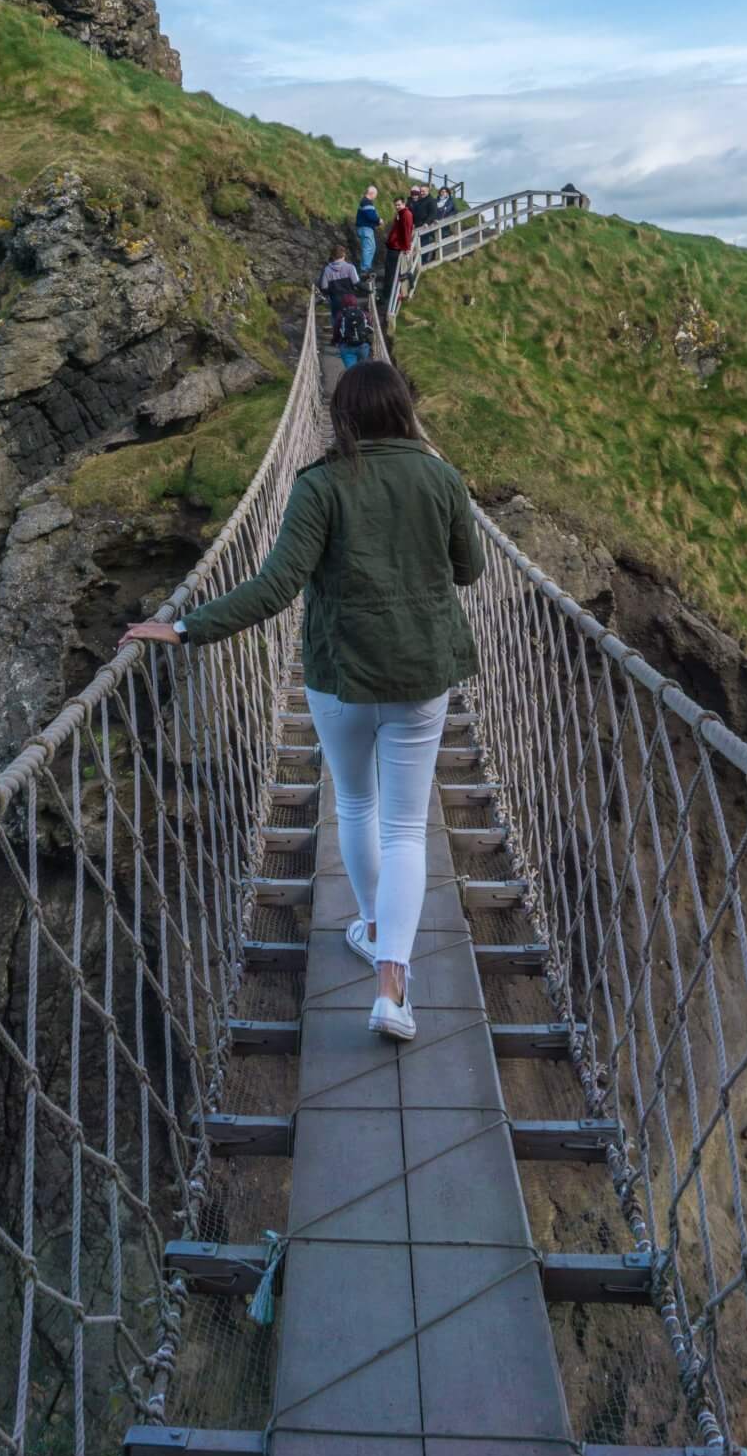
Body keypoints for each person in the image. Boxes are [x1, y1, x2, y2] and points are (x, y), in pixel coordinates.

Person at [119, 362, 485, 1041]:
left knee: (356, 804)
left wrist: (185, 626)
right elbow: (470, 569)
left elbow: (277, 585)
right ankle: (391, 990)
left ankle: (373, 928)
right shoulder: (442, 478)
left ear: (343, 417)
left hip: (339, 674)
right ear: (405, 411)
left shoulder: (319, 485)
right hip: (420, 673)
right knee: (407, 827)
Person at [329, 276, 374, 367]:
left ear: (343, 303)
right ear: (355, 302)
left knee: (351, 373)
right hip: (363, 346)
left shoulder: (340, 315)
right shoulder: (364, 314)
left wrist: (334, 341)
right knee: (362, 371)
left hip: (347, 346)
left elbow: (336, 331)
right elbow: (370, 328)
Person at [381, 196, 415, 311]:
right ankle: (388, 295)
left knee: (392, 273)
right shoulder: (400, 214)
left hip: (397, 247)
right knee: (390, 273)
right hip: (393, 246)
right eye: (395, 205)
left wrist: (407, 247)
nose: (397, 207)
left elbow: (407, 231)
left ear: (404, 203)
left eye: (399, 204)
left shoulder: (406, 214)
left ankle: (389, 297)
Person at [318, 243, 358, 335]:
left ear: (332, 256)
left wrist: (330, 293)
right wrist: (368, 290)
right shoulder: (350, 267)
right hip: (350, 299)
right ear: (344, 254)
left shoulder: (327, 269)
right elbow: (356, 283)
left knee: (336, 318)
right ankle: (350, 337)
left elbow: (324, 287)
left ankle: (337, 337)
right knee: (351, 317)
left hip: (335, 299)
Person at [354, 186, 381, 275]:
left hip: (366, 228)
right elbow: (370, 216)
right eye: (375, 195)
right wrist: (379, 220)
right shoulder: (366, 202)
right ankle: (364, 269)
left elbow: (368, 216)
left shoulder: (365, 202)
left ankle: (367, 267)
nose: (375, 197)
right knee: (368, 248)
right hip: (365, 229)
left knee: (372, 247)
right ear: (372, 193)